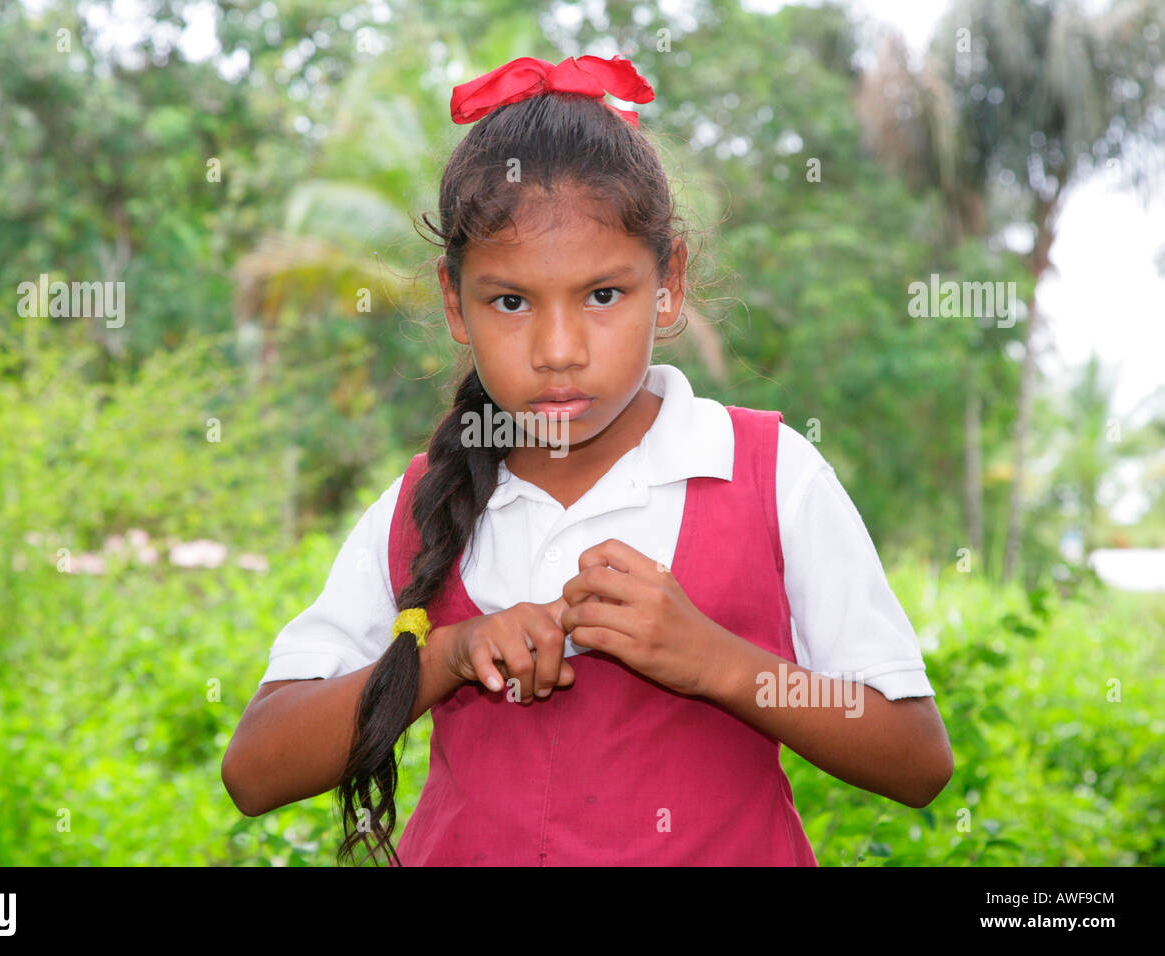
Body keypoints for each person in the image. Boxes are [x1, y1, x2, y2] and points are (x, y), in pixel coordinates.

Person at [221, 53, 954, 866]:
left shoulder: (768, 474)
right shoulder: (424, 503)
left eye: (603, 295)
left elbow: (915, 757)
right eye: (510, 302)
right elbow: (256, 769)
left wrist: (714, 660)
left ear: (668, 282)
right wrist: (446, 658)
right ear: (452, 303)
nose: (559, 350)